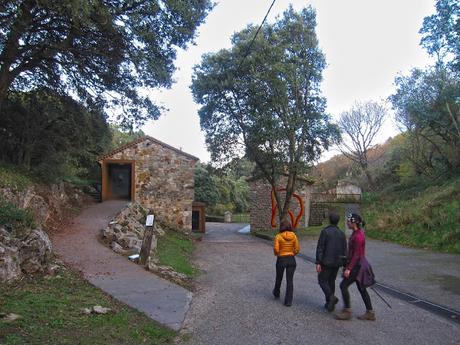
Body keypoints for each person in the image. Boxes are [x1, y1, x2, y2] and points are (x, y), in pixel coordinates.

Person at [336, 213, 376, 321]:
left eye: (348, 221)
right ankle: (370, 312)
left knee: (343, 285)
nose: (347, 223)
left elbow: (357, 255)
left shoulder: (358, 236)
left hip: (358, 266)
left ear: (354, 223)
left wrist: (349, 269)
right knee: (362, 289)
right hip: (358, 264)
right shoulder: (356, 233)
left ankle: (347, 311)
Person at [315, 211, 347, 312]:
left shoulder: (325, 232)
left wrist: (318, 262)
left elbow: (320, 247)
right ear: (338, 221)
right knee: (331, 281)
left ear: (329, 220)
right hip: (337, 261)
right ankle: (330, 304)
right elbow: (344, 249)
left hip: (326, 261)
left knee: (322, 280)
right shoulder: (342, 234)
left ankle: (331, 298)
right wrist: (344, 263)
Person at [273, 219, 300, 306]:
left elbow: (276, 249)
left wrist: (277, 254)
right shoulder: (294, 236)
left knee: (279, 277)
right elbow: (297, 249)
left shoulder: (278, 236)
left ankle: (276, 292)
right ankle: (288, 301)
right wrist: (293, 253)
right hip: (291, 259)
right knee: (290, 280)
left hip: (281, 258)